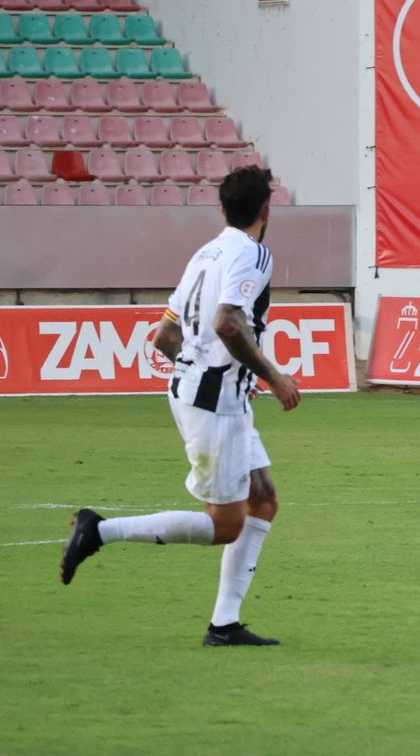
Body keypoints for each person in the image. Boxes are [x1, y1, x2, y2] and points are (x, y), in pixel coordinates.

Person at [59, 166, 301, 647]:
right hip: (214, 404)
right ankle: (100, 530)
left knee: (265, 499)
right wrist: (274, 377)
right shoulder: (253, 253)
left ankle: (224, 625)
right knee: (226, 525)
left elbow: (165, 335)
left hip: (208, 393)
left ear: (222, 209)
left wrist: (202, 370)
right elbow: (229, 323)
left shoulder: (205, 253)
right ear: (267, 211)